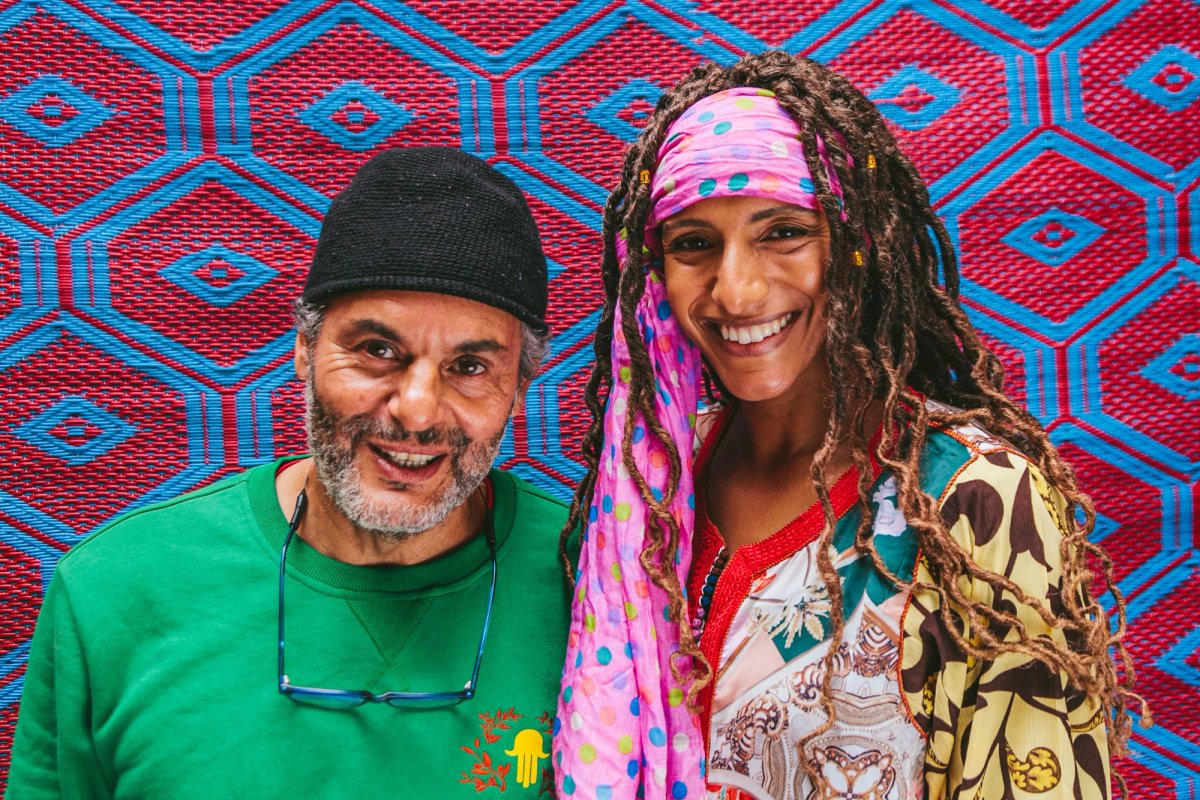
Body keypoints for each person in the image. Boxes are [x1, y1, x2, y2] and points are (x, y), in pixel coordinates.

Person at [553, 52, 1146, 800]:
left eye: (784, 232)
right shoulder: (642, 496)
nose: (735, 290)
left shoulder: (971, 498)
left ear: (861, 244)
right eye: (694, 243)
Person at [8, 147, 571, 798]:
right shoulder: (112, 593)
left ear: (521, 387)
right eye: (377, 351)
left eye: (471, 367)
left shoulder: (601, 585)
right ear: (303, 349)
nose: (417, 412)